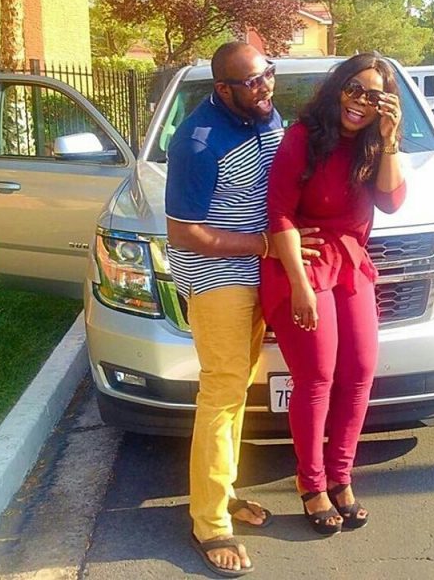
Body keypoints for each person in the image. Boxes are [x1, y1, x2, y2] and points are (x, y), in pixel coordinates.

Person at [165, 42, 321, 576]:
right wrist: (264, 246)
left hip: (261, 271)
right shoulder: (197, 141)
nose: (265, 86)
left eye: (267, 74)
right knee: (223, 391)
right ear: (223, 88)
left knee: (235, 390)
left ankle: (223, 493)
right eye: (252, 81)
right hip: (218, 277)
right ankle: (209, 522)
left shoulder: (265, 114)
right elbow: (184, 232)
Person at [260, 53, 406, 535]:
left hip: (350, 264)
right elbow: (279, 213)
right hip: (301, 265)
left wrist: (389, 140)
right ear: (338, 87)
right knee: (317, 377)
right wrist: (299, 285)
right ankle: (312, 484)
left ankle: (341, 477)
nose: (361, 102)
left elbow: (391, 201)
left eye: (374, 96)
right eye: (354, 89)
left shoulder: (372, 144)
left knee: (360, 371)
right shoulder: (303, 138)